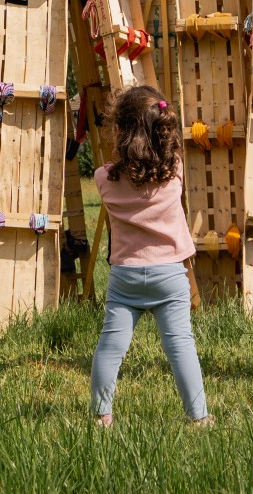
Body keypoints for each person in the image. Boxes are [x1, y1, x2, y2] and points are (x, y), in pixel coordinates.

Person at [90, 85, 211, 426]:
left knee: (110, 347)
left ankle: (102, 415)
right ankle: (198, 417)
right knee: (180, 347)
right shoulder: (174, 171)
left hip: (126, 277)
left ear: (119, 131)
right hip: (170, 276)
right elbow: (164, 162)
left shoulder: (103, 178)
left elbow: (117, 173)